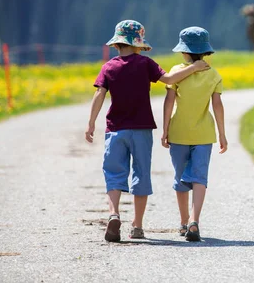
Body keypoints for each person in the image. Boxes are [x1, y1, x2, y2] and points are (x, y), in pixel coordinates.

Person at [85, 20, 209, 242]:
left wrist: (91, 122)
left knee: (114, 174)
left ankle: (114, 214)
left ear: (117, 45)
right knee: (140, 175)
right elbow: (169, 80)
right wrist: (194, 67)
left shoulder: (108, 67)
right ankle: (137, 226)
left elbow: (99, 94)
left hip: (115, 130)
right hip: (141, 130)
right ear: (138, 45)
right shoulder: (145, 64)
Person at [161, 26, 227, 242]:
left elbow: (169, 101)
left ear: (184, 52)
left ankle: (182, 222)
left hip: (179, 132)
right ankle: (194, 220)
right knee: (200, 178)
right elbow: (217, 106)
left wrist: (165, 129)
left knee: (180, 178)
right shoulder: (214, 74)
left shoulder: (177, 72)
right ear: (205, 51)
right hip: (204, 134)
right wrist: (222, 134)